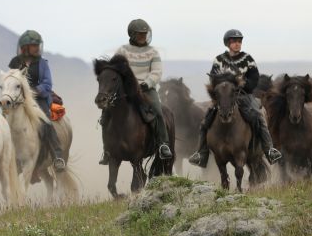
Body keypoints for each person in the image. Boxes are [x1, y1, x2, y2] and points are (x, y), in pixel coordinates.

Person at [188, 29, 282, 167]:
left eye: (239, 41)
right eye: (234, 41)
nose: (237, 44)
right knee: (205, 121)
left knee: (258, 116)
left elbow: (254, 78)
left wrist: (243, 85)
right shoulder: (218, 60)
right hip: (223, 97)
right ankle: (201, 154)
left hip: (243, 95)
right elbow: (214, 79)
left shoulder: (248, 59)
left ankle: (269, 150)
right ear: (227, 43)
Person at [99, 19, 173, 164]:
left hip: (146, 90)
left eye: (145, 34)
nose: (143, 37)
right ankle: (107, 150)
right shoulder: (122, 50)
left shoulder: (153, 52)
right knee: (106, 113)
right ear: (132, 34)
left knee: (157, 111)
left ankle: (163, 144)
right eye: (140, 34)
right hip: (125, 90)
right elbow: (114, 70)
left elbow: (157, 72)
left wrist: (147, 83)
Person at [8, 30, 66, 171]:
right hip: (18, 100)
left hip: (38, 100)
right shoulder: (15, 62)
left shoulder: (42, 63)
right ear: (25, 47)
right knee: (5, 122)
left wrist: (33, 91)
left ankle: (58, 156)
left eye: (38, 45)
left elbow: (47, 84)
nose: (37, 48)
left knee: (46, 122)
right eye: (34, 45)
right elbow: (10, 81)